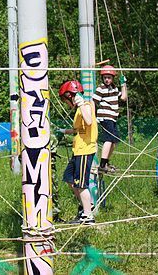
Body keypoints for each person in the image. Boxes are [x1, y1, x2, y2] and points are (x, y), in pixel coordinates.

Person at [58, 80, 98, 225]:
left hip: (85, 150)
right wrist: (64, 131)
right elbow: (79, 129)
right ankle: (86, 206)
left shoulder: (85, 106)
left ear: (70, 96)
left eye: (65, 100)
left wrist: (81, 104)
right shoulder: (79, 110)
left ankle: (88, 216)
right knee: (69, 178)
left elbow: (88, 121)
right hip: (78, 149)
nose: (66, 104)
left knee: (81, 184)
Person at [92, 65, 127, 173]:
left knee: (114, 141)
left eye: (109, 77)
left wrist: (123, 84)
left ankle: (106, 161)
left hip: (113, 118)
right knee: (109, 139)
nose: (107, 79)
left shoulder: (114, 88)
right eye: (105, 77)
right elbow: (93, 102)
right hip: (105, 117)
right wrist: (93, 116)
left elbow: (124, 98)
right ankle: (102, 164)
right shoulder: (100, 89)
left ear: (112, 78)